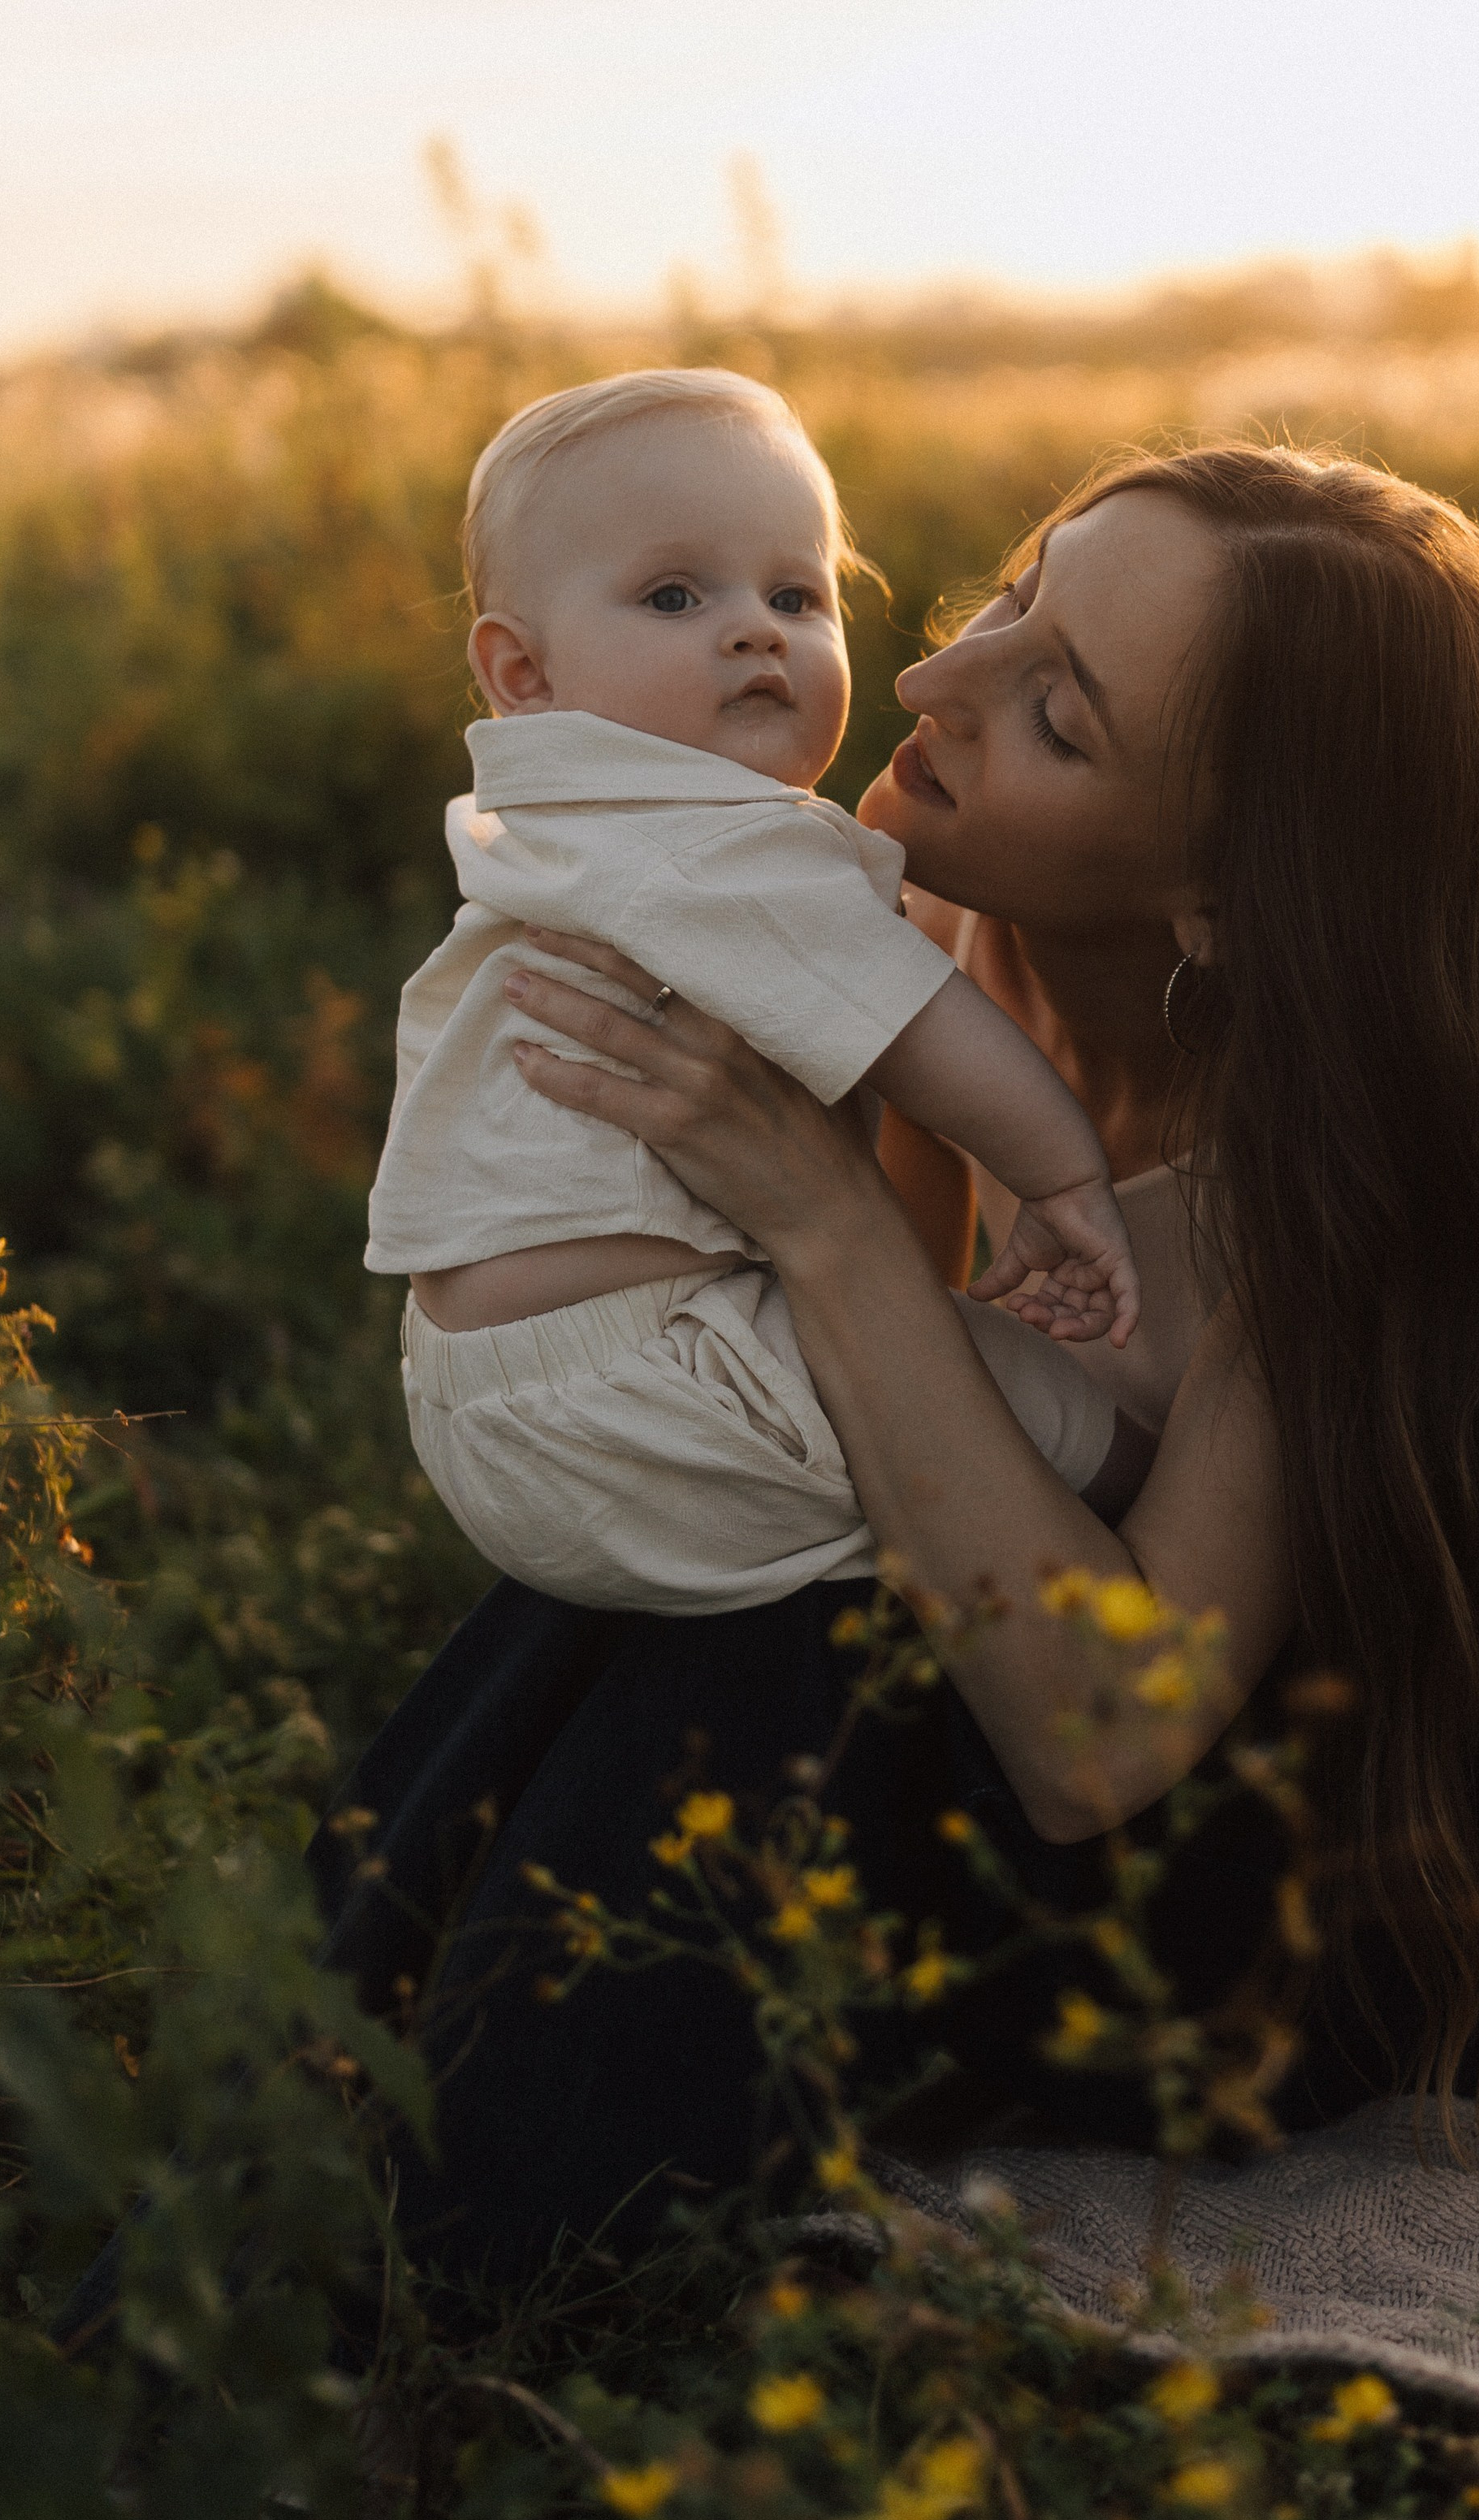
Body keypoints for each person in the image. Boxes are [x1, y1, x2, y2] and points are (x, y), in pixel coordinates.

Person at [314, 442, 1479, 2292]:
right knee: (713, 1606)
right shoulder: (934, 925)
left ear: (1228, 900)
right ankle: (317, 2140)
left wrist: (820, 1222)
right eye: (1010, 599)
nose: (926, 685)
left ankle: (453, 2292)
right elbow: (876, 1463)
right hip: (1151, 1657)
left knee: (779, 1658)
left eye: (1057, 712)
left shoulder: (1350, 1182)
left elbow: (1098, 1743)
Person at [366, 366, 1141, 1617]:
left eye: (796, 594)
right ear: (521, 673)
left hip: (472, 1401)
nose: (753, 629)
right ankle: (1214, 1653)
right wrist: (1062, 1178)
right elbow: (923, 1034)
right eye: (675, 595)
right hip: (662, 1376)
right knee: (1074, 1430)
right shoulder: (724, 843)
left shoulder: (553, 829)